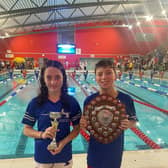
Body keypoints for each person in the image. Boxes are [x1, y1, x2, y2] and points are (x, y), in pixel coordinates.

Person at [22, 60, 81, 168]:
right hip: (42, 157)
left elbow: (77, 129)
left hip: (64, 156)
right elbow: (26, 130)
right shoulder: (35, 103)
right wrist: (42, 134)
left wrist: (63, 143)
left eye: (57, 77)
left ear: (63, 78)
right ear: (43, 79)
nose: (53, 82)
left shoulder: (71, 102)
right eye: (49, 77)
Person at [80, 59, 138, 168]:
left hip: (114, 155)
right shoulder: (89, 101)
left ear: (115, 75)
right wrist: (83, 125)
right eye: (100, 74)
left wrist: (128, 124)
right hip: (94, 154)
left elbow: (133, 122)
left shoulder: (126, 99)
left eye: (108, 73)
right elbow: (88, 127)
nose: (104, 77)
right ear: (95, 78)